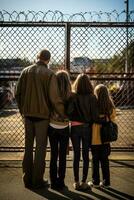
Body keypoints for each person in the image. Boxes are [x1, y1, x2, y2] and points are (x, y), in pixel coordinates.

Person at [15, 49, 66, 189]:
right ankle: (37, 180)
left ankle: (27, 178)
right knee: (40, 149)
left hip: (28, 116)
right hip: (43, 117)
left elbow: (17, 93)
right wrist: (63, 114)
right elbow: (54, 98)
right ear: (48, 60)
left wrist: (22, 110)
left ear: (37, 57)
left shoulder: (25, 71)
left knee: (28, 147)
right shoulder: (50, 74)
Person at [67, 73, 99, 191]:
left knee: (76, 155)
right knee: (86, 155)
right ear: (89, 84)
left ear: (77, 84)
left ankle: (76, 182)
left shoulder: (73, 96)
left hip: (74, 128)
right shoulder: (92, 97)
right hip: (87, 128)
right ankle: (84, 182)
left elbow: (69, 113)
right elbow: (95, 116)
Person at [88, 84, 116, 188]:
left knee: (95, 160)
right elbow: (112, 120)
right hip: (106, 139)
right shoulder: (110, 107)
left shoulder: (94, 106)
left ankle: (95, 182)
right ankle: (106, 182)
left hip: (95, 139)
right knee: (105, 160)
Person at [48, 70, 71, 190]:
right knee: (62, 155)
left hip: (52, 125)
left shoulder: (53, 93)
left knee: (53, 154)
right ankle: (61, 181)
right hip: (64, 127)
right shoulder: (70, 94)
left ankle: (53, 182)